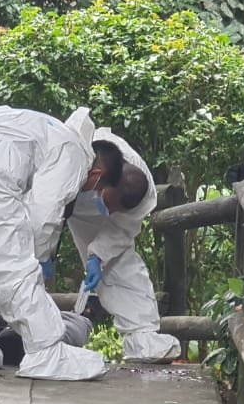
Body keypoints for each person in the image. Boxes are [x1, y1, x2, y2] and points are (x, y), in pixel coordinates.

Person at [0, 105, 123, 381]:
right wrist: (39, 256)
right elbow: (43, 214)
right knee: (12, 263)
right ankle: (46, 351)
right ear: (97, 174)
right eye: (95, 190)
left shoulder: (49, 129)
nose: (88, 193)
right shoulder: (75, 153)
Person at [66, 127, 182, 364]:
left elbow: (120, 229)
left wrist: (97, 257)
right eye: (109, 203)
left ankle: (142, 340)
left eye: (115, 209)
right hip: (72, 197)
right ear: (104, 179)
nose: (109, 210)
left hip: (106, 219)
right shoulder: (86, 155)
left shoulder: (140, 197)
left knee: (121, 265)